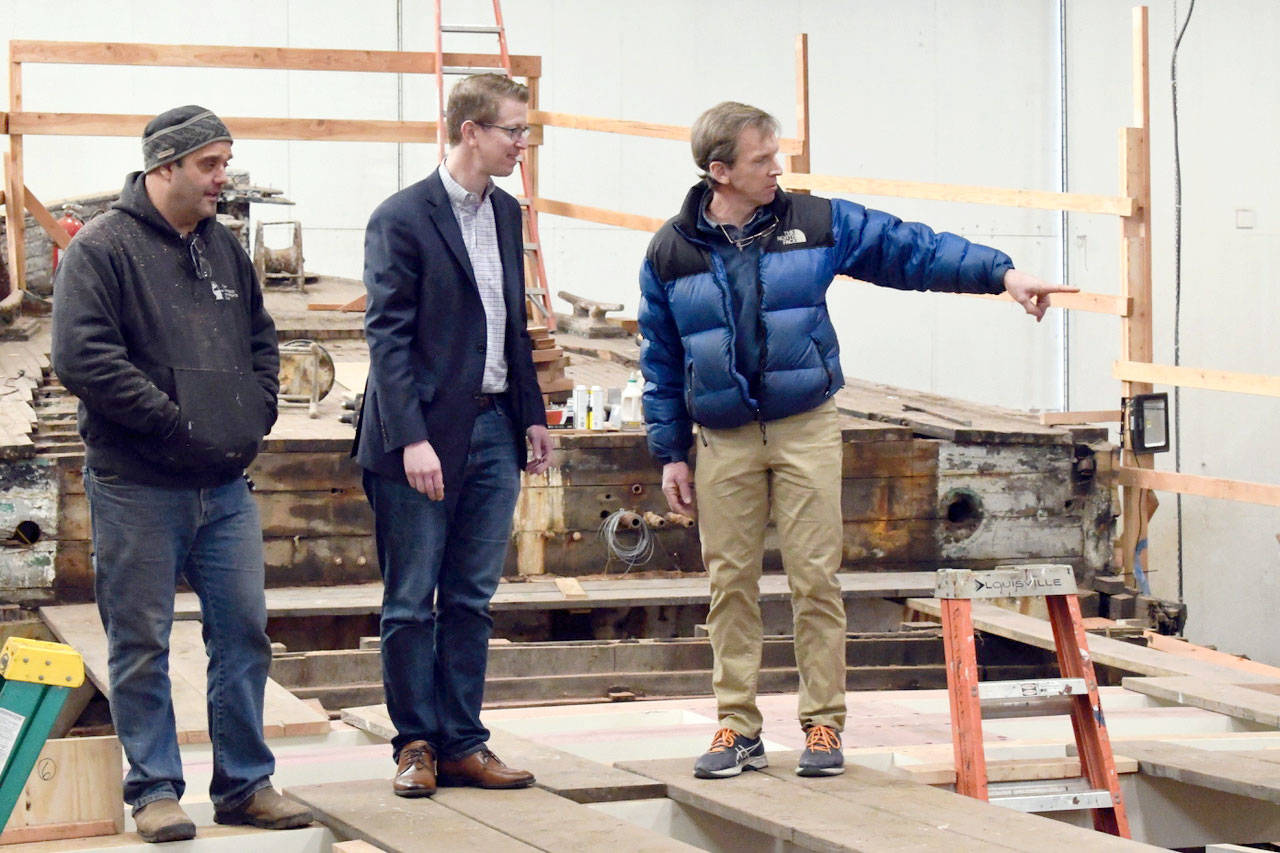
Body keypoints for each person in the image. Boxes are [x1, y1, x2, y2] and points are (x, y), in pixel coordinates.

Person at [638, 101, 1075, 780]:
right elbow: (660, 357)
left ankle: (822, 725)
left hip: (805, 422)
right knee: (730, 582)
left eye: (775, 154)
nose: (777, 168)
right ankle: (737, 725)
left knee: (816, 575)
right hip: (722, 437)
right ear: (719, 171)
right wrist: (669, 450)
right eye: (762, 159)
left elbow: (910, 248)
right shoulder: (670, 251)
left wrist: (1001, 274)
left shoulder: (816, 223)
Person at [51, 106, 312, 842]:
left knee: (244, 634)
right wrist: (174, 420)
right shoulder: (101, 250)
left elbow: (262, 341)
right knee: (140, 640)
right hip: (138, 484)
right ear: (164, 167)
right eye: (210, 165)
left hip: (224, 487)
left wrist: (253, 412)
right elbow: (82, 358)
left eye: (225, 163)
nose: (222, 179)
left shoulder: (225, 249)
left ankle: (245, 783)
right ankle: (155, 788)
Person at [354, 73, 554, 798]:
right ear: (471, 131)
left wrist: (533, 411)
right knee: (411, 598)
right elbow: (389, 337)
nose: (521, 145)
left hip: (494, 427)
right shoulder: (401, 218)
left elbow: (515, 325)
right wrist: (411, 438)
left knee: (471, 597)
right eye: (513, 131)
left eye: (525, 131)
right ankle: (415, 743)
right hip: (421, 435)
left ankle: (464, 741)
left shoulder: (504, 214)